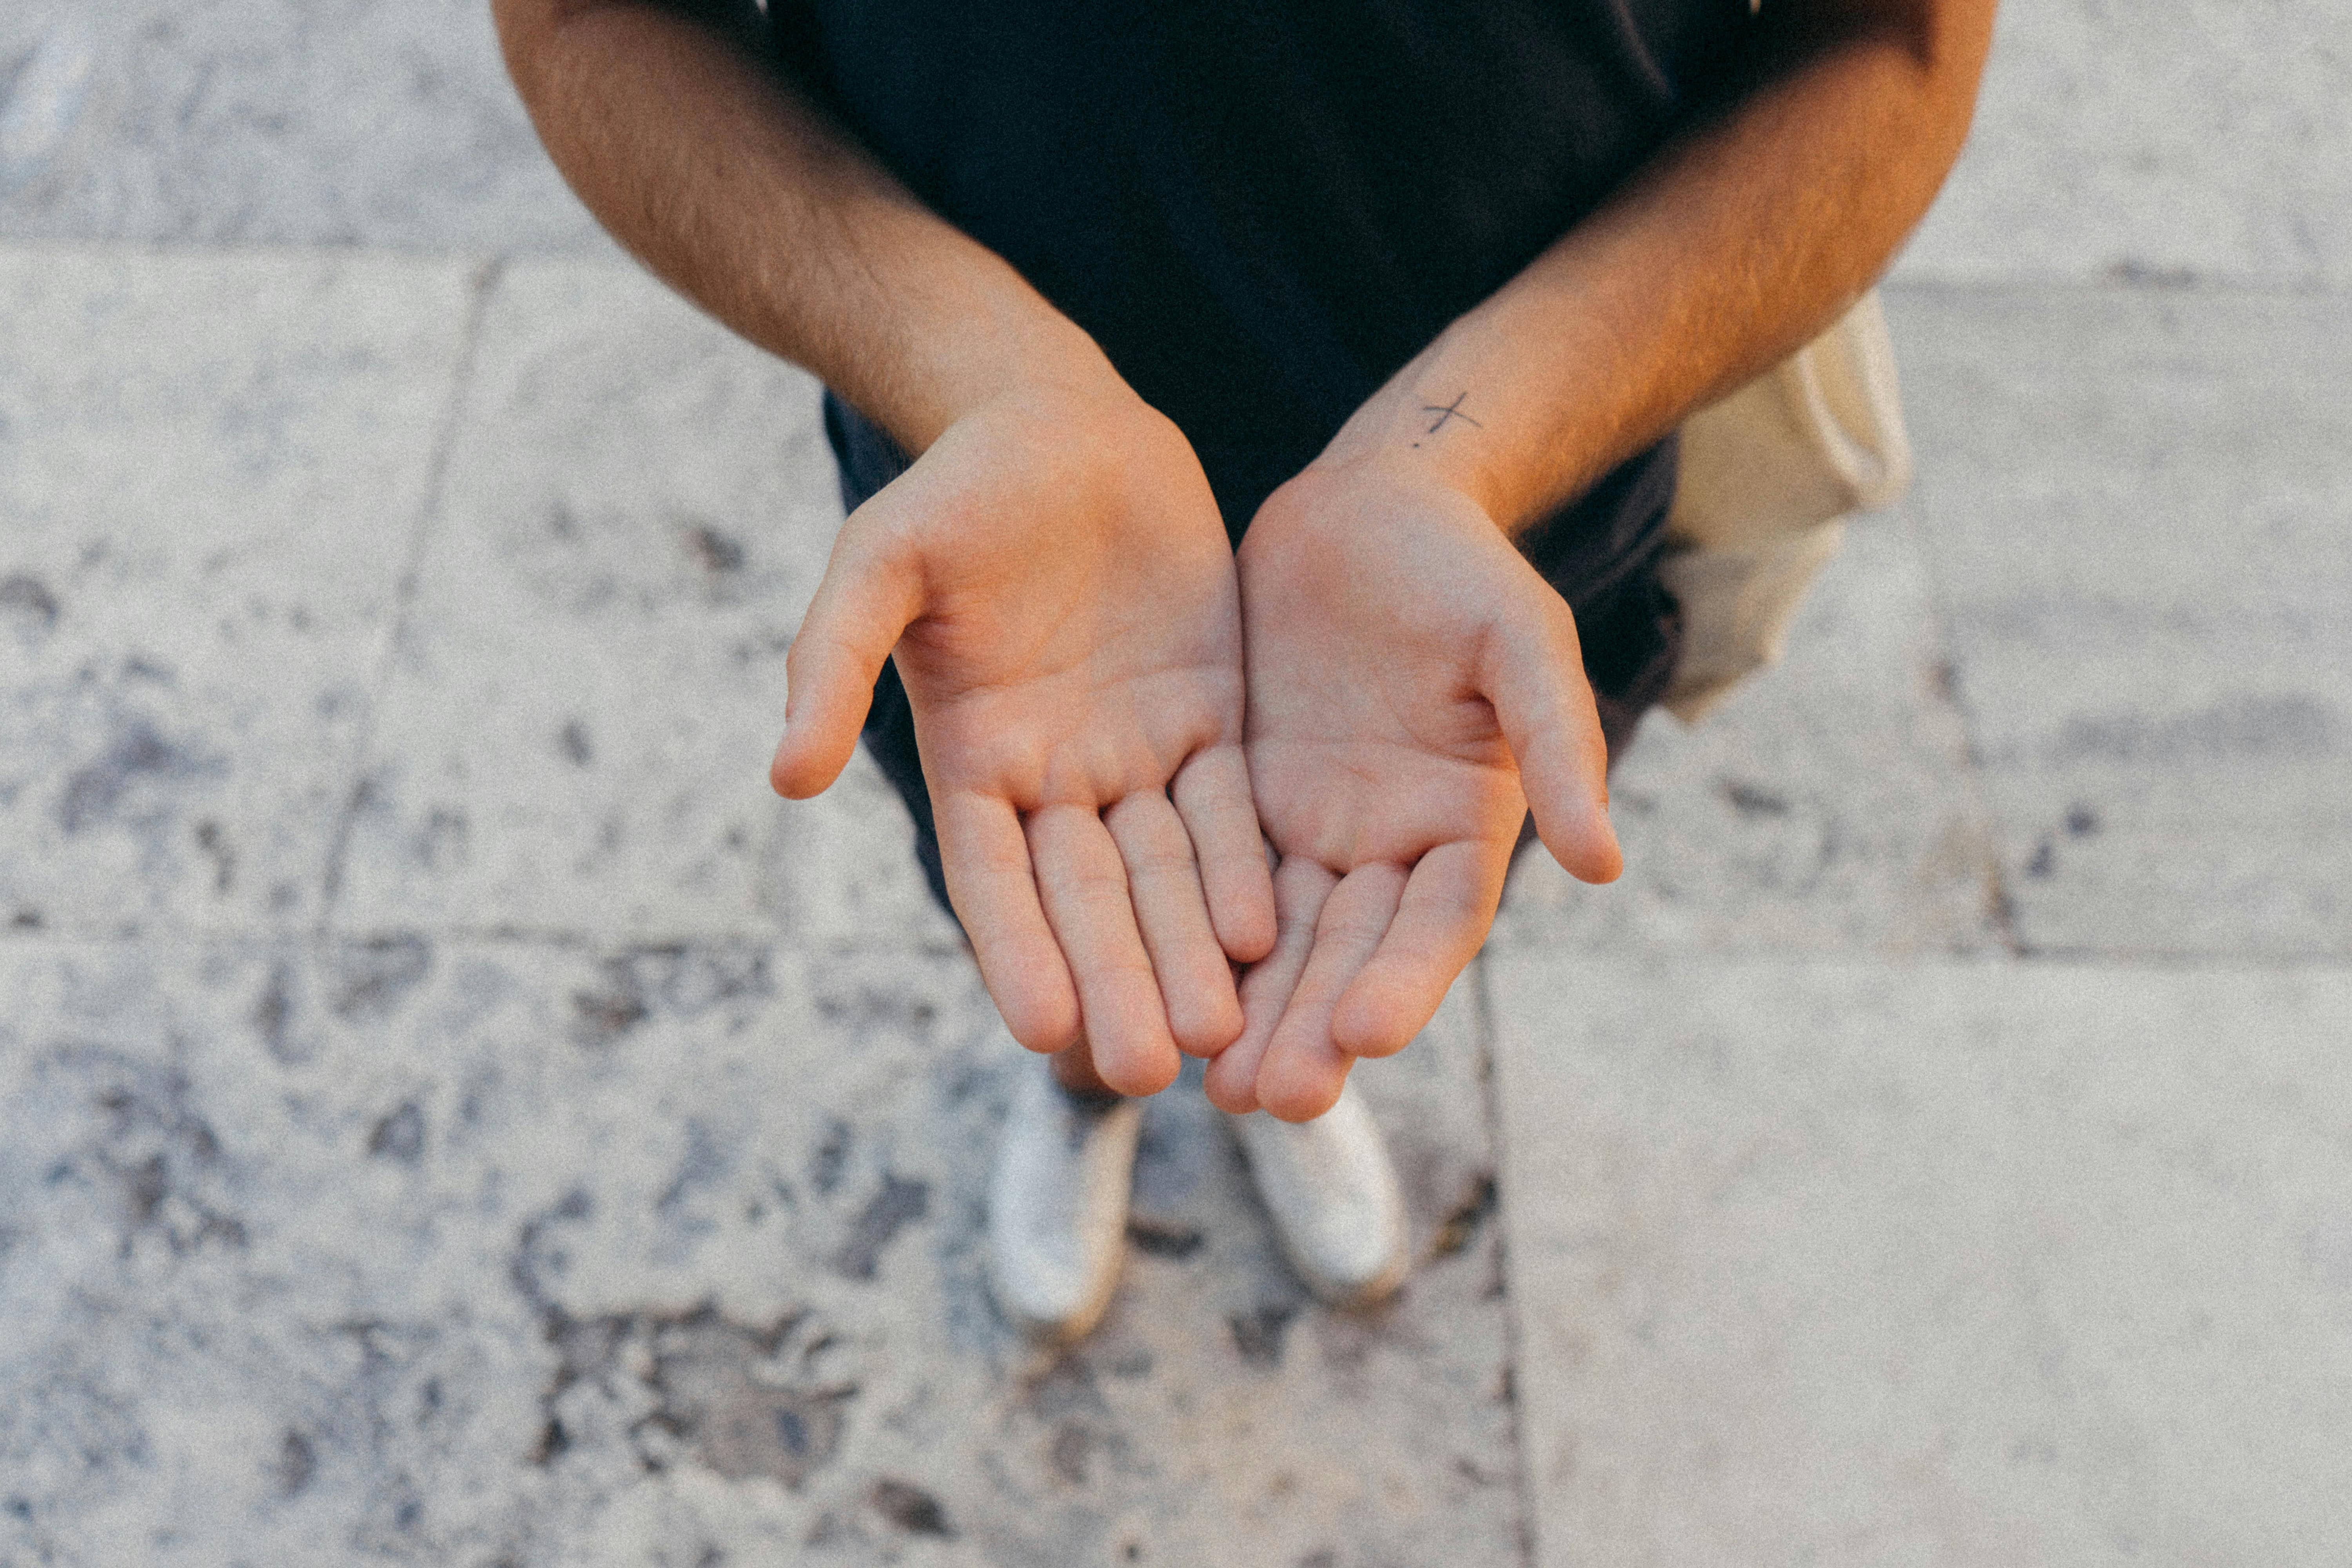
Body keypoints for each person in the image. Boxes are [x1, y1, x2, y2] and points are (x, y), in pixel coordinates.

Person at [494, 0, 1994, 1340]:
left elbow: (1891, 46)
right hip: (1008, 518)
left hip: (1505, 503)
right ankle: (1086, 1087)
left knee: (1362, 920)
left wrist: (1466, 453)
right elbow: (588, 22)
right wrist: (994, 381)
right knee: (1054, 919)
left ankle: (1289, 1073)